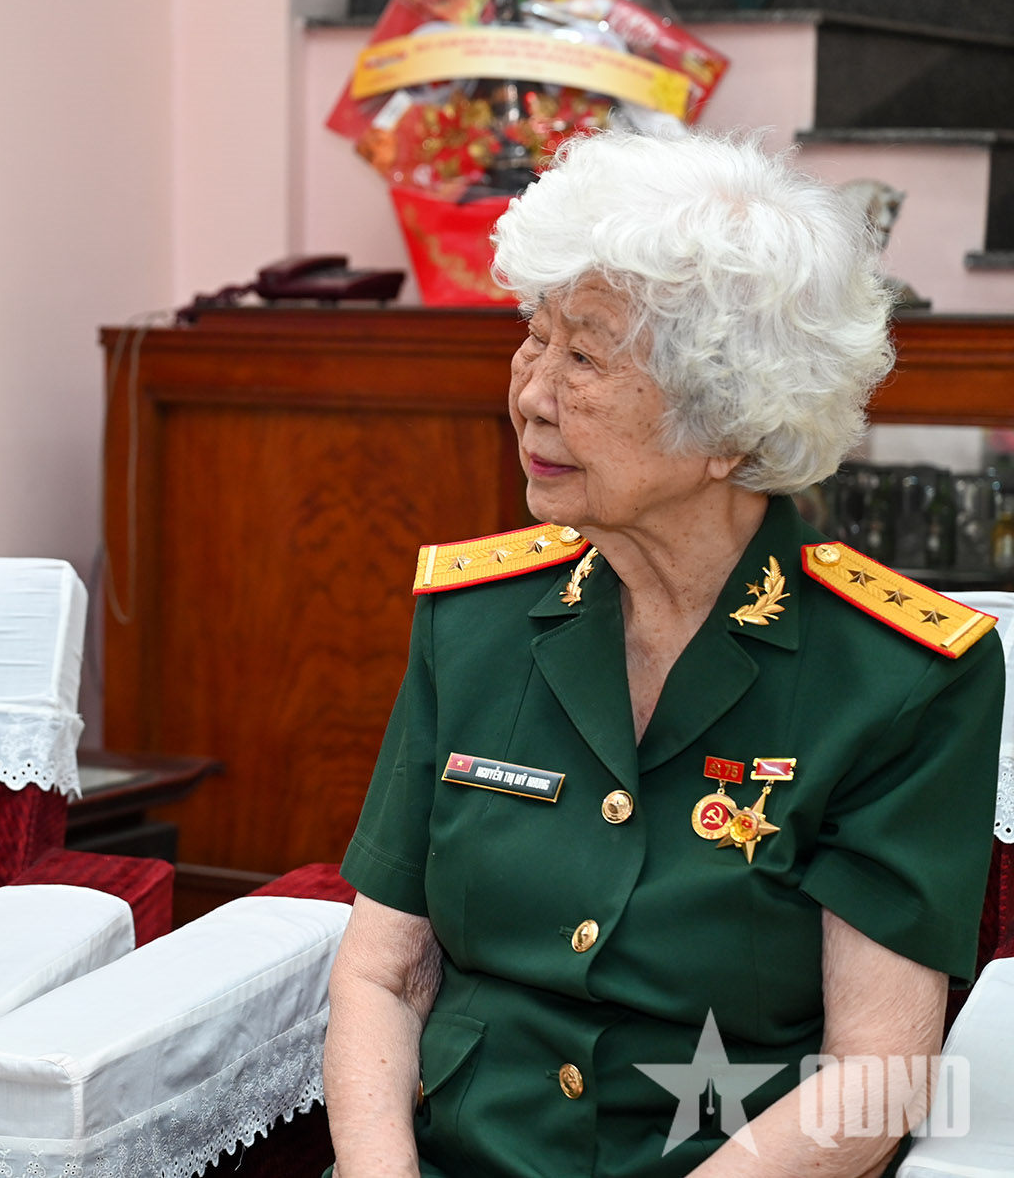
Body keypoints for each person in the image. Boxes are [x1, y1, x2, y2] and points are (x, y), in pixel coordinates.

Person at [322, 131, 1002, 1178]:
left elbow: (877, 1076)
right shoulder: (473, 619)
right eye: (534, 337)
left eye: (585, 358)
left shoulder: (899, 676)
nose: (531, 393)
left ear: (730, 420)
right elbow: (383, 974)